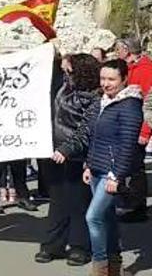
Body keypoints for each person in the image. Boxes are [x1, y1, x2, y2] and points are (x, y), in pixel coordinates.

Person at [34, 54, 98, 266]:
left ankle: (80, 246)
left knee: (79, 202)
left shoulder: (93, 96)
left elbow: (86, 130)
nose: (64, 72)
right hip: (54, 152)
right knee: (58, 200)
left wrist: (68, 149)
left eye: (67, 69)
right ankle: (53, 245)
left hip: (77, 155)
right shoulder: (62, 88)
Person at [84, 59, 143, 276]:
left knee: (93, 217)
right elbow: (95, 138)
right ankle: (114, 266)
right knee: (106, 218)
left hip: (112, 172)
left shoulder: (129, 105)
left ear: (124, 79)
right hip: (97, 168)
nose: (106, 84)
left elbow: (128, 145)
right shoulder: (103, 102)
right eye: (103, 78)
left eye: (111, 79)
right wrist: (89, 165)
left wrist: (116, 175)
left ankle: (100, 267)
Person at [114, 37, 151, 222]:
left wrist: (145, 131)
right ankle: (129, 202)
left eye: (118, 49)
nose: (116, 53)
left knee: (136, 166)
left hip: (137, 125)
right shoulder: (131, 68)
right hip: (128, 122)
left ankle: (137, 207)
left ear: (127, 50)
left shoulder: (145, 70)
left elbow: (148, 103)